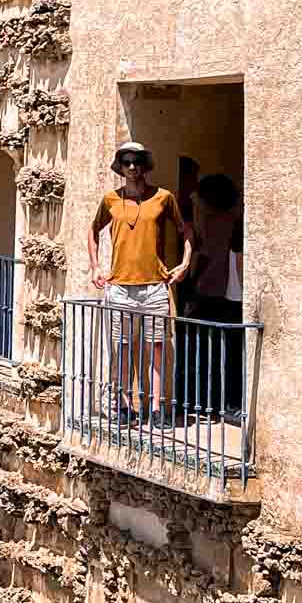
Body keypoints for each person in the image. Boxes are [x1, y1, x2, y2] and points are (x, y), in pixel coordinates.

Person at [87, 141, 193, 426]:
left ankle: (157, 408)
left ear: (145, 165)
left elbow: (185, 230)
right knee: (121, 350)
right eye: (126, 162)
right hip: (119, 287)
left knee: (156, 349)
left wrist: (185, 263)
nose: (132, 167)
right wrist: (96, 266)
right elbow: (93, 230)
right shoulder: (111, 200)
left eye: (137, 162)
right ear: (120, 167)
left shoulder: (162, 197)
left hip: (155, 287)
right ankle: (123, 406)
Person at [187, 173, 244, 419]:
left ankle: (207, 401)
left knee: (207, 351)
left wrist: (189, 289)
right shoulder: (234, 219)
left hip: (208, 290)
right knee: (228, 351)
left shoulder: (211, 223)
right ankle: (225, 403)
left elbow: (204, 255)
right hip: (228, 293)